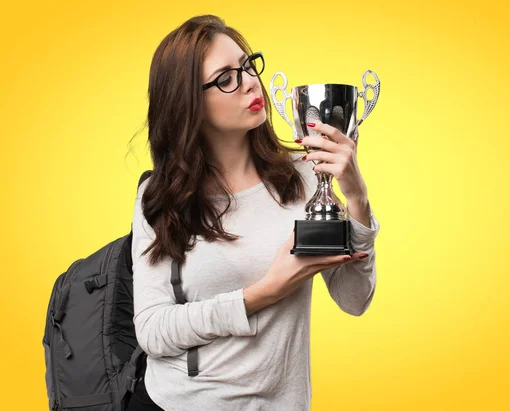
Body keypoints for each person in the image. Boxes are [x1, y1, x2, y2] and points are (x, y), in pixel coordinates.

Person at [130, 14, 381, 411]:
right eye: (226, 78)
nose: (250, 82)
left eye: (248, 65)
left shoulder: (304, 176)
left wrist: (357, 200)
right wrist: (264, 293)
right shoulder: (160, 196)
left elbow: (355, 300)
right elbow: (152, 331)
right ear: (187, 103)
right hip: (176, 403)